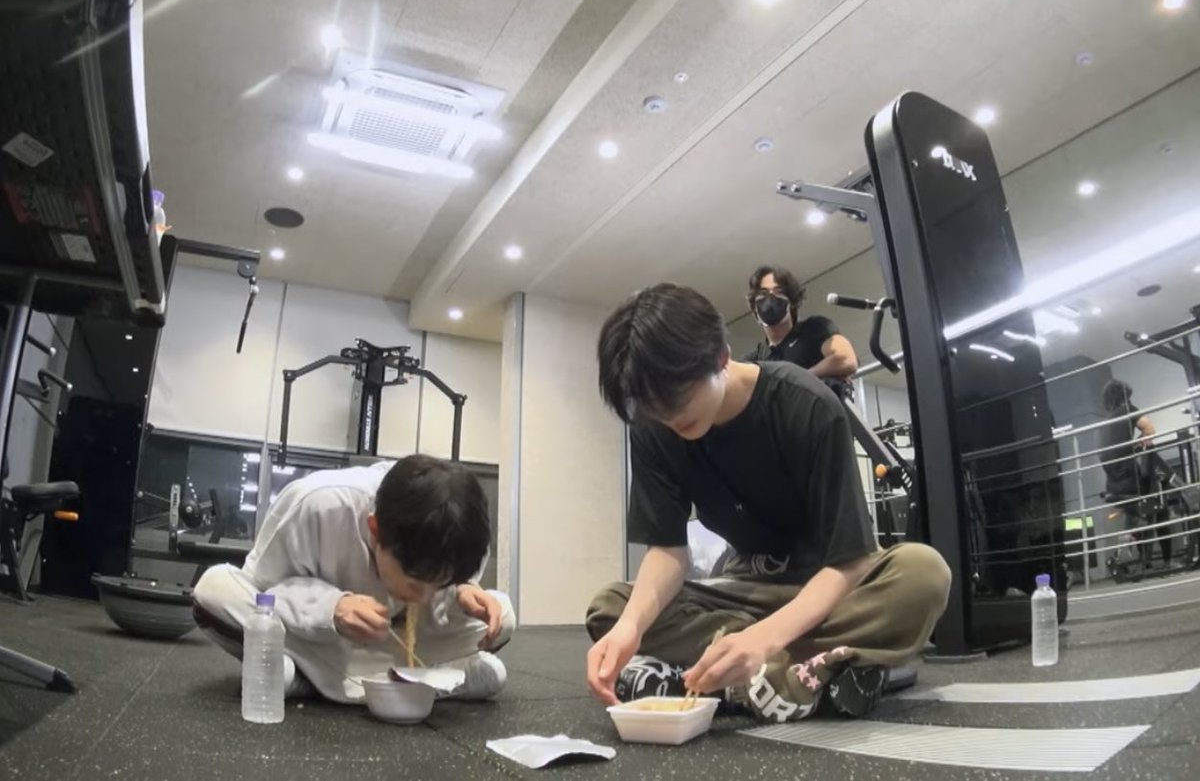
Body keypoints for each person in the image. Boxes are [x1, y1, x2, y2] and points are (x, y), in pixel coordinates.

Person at [585, 283, 950, 723]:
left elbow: (850, 563)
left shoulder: (807, 404)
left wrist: (763, 638)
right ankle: (807, 668)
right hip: (747, 590)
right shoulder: (654, 427)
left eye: (679, 399)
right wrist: (630, 628)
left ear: (721, 357)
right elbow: (667, 552)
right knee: (612, 608)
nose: (670, 419)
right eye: (655, 410)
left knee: (924, 573)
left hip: (828, 582)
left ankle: (740, 667)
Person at [192, 454, 514, 704]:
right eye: (415, 582)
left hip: (391, 642)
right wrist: (333, 609)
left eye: (439, 583)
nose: (424, 597)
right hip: (321, 639)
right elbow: (263, 596)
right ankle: (439, 680)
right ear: (375, 530)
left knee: (505, 617)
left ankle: (310, 680)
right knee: (215, 589)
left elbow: (446, 591)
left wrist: (462, 589)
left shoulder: (461, 529)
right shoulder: (316, 505)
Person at [742, 266, 858, 394]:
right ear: (754, 306)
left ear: (791, 302)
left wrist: (798, 380)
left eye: (778, 292)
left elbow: (847, 360)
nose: (770, 299)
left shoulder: (815, 328)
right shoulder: (754, 360)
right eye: (763, 293)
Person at [1099, 380, 1167, 568]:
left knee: (1134, 509)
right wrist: (1140, 443)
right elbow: (1150, 429)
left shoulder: (1104, 421)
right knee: (1156, 508)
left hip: (1112, 484)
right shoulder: (1127, 409)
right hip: (1131, 480)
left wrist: (1134, 447)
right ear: (1124, 397)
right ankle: (1153, 558)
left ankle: (1130, 544)